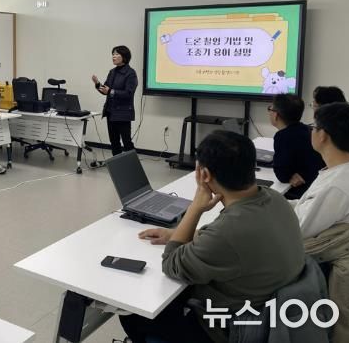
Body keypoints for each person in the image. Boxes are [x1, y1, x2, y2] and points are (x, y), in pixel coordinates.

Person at [120, 131, 305, 343]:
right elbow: (224, 238)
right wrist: (174, 234)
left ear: (205, 175)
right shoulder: (274, 198)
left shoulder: (228, 231)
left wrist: (195, 207)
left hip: (230, 327)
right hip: (270, 311)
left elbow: (171, 263)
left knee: (132, 315)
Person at [293, 102, 349, 239]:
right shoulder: (347, 171)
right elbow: (308, 206)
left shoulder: (334, 187)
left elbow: (297, 229)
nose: (311, 131)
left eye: (313, 127)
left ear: (322, 135)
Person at [268, 94, 325, 199]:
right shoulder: (307, 129)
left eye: (270, 109)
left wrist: (290, 175)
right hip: (314, 187)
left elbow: (282, 175)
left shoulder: (283, 136)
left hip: (300, 193)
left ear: (276, 115)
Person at [91, 45, 138, 156]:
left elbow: (129, 93)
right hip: (111, 112)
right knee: (114, 142)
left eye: (117, 54)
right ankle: (117, 164)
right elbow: (105, 90)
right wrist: (97, 84)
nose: (113, 56)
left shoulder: (130, 73)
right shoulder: (112, 72)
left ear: (124, 57)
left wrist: (110, 91)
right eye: (113, 54)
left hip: (123, 113)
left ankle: (133, 165)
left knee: (127, 142)